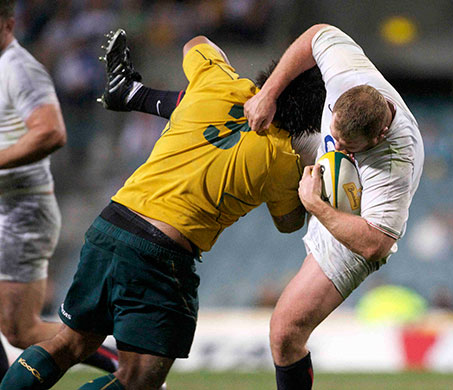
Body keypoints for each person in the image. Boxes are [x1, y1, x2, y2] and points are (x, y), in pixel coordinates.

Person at [0, 26, 325, 389]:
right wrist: (312, 182)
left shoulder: (217, 82)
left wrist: (155, 97)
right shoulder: (283, 159)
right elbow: (288, 222)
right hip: (160, 254)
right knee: (138, 379)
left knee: (67, 343)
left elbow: (195, 42)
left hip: (110, 226)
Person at [244, 24, 424, 389]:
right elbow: (316, 34)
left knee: (285, 332)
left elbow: (377, 243)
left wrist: (316, 204)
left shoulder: (393, 163)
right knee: (252, 113)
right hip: (337, 185)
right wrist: (269, 93)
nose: (337, 147)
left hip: (362, 221)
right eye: (335, 137)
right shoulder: (347, 73)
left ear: (377, 137)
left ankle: (297, 208)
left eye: (348, 145)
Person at [0, 0, 120, 379]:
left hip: (22, 210)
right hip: (8, 206)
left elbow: (51, 131)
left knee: (22, 331)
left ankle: (122, 362)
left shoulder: (19, 70)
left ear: (8, 24)